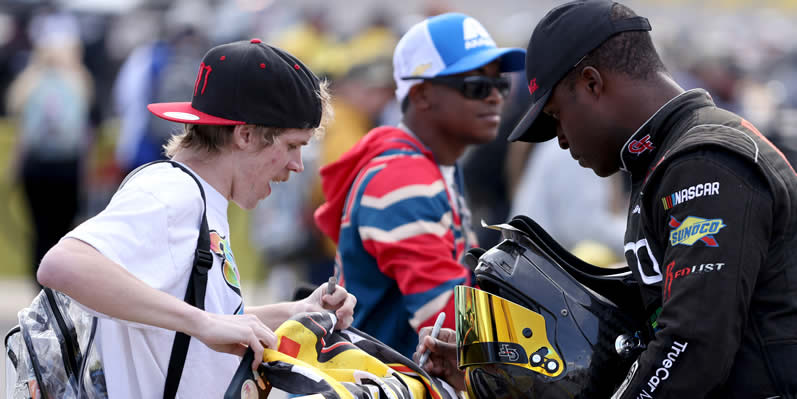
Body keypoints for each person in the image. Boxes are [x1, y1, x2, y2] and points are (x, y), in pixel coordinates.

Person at [414, 1, 797, 398]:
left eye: (556, 116)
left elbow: (691, 345)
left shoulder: (705, 163)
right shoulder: (661, 161)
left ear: (592, 83)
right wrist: (491, 374)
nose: (560, 139)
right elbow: (641, 334)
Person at [36, 39, 356, 398]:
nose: (297, 165)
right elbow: (61, 264)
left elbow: (197, 321)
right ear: (246, 134)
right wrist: (203, 323)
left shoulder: (199, 197)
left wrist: (296, 311)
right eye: (293, 145)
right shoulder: (172, 192)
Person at [314, 12, 524, 358]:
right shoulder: (403, 180)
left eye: (499, 84)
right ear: (423, 94)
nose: (495, 98)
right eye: (477, 86)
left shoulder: (434, 164)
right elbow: (452, 327)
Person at [5, 12, 96, 285]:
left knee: (38, 228)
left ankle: (39, 285)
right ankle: (59, 287)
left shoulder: (28, 83)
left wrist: (14, 169)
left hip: (34, 168)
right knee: (64, 229)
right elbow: (85, 135)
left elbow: (23, 133)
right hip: (67, 168)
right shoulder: (79, 82)